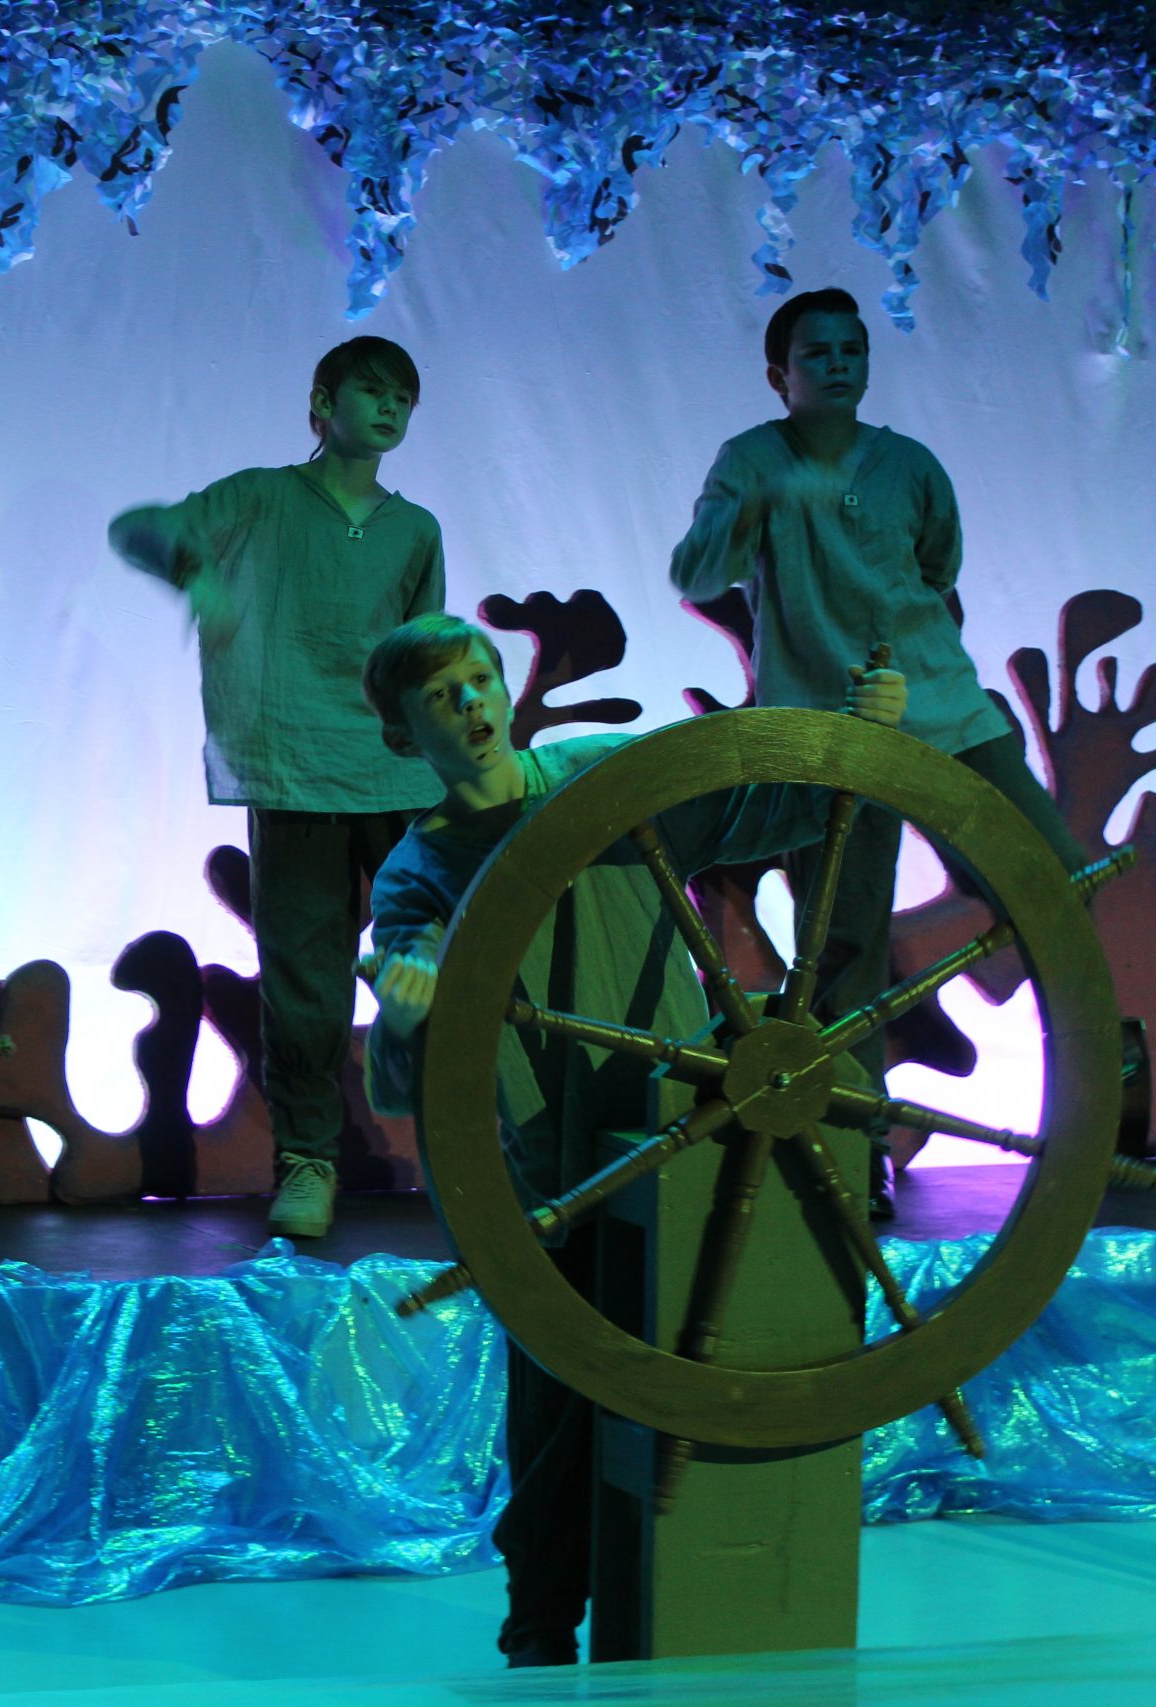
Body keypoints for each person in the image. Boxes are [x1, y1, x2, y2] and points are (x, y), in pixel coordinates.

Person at [356, 612, 906, 1667]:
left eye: (479, 679)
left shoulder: (601, 777)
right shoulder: (416, 876)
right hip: (543, 1174)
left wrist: (858, 735)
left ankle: (663, 1601)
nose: (471, 704)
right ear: (400, 735)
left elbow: (771, 804)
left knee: (660, 1377)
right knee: (559, 1396)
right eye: (441, 697)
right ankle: (541, 1618)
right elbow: (403, 1014)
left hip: (679, 1150)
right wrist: (408, 998)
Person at [667, 287, 1091, 1217]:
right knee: (844, 951)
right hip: (827, 734)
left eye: (852, 347)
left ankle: (1104, 1104)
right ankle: (858, 1159)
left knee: (1061, 883)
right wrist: (753, 511)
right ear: (779, 375)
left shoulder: (909, 465)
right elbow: (694, 573)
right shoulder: (751, 460)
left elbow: (938, 572)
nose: (837, 362)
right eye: (815, 352)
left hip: (944, 712)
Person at [107, 337, 447, 1239]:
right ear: (321, 401)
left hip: (394, 767)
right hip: (294, 763)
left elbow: (428, 653)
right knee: (305, 977)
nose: (388, 410)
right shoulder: (259, 497)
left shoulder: (415, 530)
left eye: (403, 400)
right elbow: (140, 528)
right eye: (370, 392)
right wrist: (198, 574)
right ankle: (308, 1158)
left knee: (443, 950)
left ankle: (473, 1140)